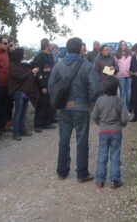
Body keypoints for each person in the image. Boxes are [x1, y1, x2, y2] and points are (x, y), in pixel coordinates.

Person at [49, 37, 99, 182]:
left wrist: (59, 102)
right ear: (80, 49)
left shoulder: (58, 66)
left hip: (64, 107)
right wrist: (88, 101)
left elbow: (51, 86)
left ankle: (62, 171)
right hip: (81, 107)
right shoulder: (87, 65)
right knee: (82, 140)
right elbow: (94, 89)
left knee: (63, 139)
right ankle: (82, 173)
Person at [92, 76, 129, 189]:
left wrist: (101, 124)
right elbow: (125, 118)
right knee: (115, 154)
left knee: (102, 154)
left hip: (103, 131)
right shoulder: (120, 101)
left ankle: (100, 180)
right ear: (116, 87)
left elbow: (94, 116)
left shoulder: (100, 100)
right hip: (116, 131)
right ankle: (115, 180)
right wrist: (121, 125)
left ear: (103, 88)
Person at [8, 48, 40, 141]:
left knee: (23, 112)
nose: (24, 55)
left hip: (25, 91)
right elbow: (19, 77)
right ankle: (16, 132)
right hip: (18, 91)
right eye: (23, 54)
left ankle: (23, 130)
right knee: (18, 112)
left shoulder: (21, 65)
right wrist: (31, 72)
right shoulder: (12, 66)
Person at [33, 38, 55, 132]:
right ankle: (38, 124)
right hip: (43, 85)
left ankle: (47, 122)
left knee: (48, 104)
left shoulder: (49, 56)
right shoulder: (39, 57)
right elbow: (39, 73)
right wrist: (43, 86)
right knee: (41, 105)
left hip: (50, 84)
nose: (51, 47)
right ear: (46, 46)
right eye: (50, 45)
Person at [115, 40, 132, 111]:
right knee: (122, 93)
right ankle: (122, 110)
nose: (123, 46)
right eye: (122, 45)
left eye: (124, 44)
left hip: (129, 76)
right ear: (120, 46)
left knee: (129, 93)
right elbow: (115, 65)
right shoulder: (116, 55)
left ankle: (128, 109)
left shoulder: (130, 54)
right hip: (121, 76)